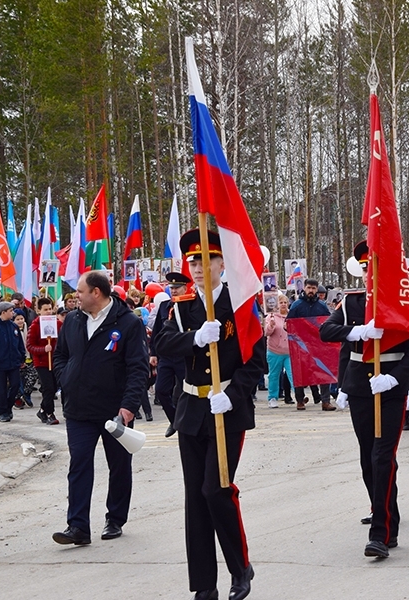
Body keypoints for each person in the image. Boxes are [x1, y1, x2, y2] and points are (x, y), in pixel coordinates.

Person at [155, 228, 266, 599]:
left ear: (222, 263)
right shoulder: (180, 305)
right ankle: (204, 585)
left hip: (225, 411)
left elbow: (256, 362)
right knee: (195, 497)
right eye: (193, 261)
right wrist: (196, 338)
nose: (199, 267)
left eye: (207, 260)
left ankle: (240, 567)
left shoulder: (241, 305)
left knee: (215, 490)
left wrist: (232, 394)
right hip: (191, 410)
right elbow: (160, 343)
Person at [319, 240, 409, 559]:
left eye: (374, 268)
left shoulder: (401, 304)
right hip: (362, 389)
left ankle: (380, 531)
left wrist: (395, 378)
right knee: (368, 459)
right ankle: (387, 514)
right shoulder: (350, 304)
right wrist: (357, 332)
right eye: (365, 269)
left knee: (382, 457)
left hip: (389, 389)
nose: (369, 274)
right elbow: (327, 333)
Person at [51, 271, 149, 546]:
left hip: (114, 411)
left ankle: (115, 518)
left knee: (118, 466)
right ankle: (78, 526)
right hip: (78, 409)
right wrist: (66, 378)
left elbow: (138, 368)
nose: (75, 297)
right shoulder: (72, 319)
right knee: (79, 464)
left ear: (96, 292)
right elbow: (61, 355)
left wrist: (128, 407)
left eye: (80, 291)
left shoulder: (128, 323)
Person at [150, 271, 191, 437]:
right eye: (171, 287)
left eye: (177, 288)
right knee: (161, 390)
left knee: (186, 392)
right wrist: (153, 352)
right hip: (166, 356)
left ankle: (187, 422)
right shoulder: (164, 306)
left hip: (183, 356)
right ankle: (174, 421)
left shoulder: (189, 305)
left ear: (185, 288)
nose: (174, 290)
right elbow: (157, 331)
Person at [285, 278, 335, 411]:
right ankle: (300, 400)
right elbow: (288, 324)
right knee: (299, 371)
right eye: (309, 288)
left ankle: (325, 401)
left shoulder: (322, 306)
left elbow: (328, 322)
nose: (311, 291)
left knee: (324, 370)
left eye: (314, 288)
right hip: (300, 345)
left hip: (318, 344)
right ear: (304, 288)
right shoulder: (296, 305)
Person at [0, 302, 26, 422]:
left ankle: (8, 406)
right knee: (1, 388)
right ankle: (3, 411)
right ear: (3, 312)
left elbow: (19, 344)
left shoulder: (13, 327)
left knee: (15, 385)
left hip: (14, 362)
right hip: (0, 364)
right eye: (10, 311)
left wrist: (22, 357)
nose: (12, 313)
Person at [26, 297, 62, 424]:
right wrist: (43, 349)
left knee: (54, 386)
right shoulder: (35, 326)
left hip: (55, 360)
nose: (48, 312)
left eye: (50, 309)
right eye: (45, 309)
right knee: (48, 388)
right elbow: (30, 346)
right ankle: (50, 413)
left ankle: (42, 410)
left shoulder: (57, 324)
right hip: (41, 362)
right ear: (38, 310)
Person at [264, 294, 294, 408]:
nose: (283, 305)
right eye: (281, 302)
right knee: (274, 375)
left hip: (289, 351)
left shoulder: (291, 315)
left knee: (293, 374)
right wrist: (271, 326)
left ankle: (298, 396)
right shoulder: (271, 316)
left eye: (285, 302)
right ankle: (272, 397)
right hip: (274, 351)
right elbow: (266, 333)